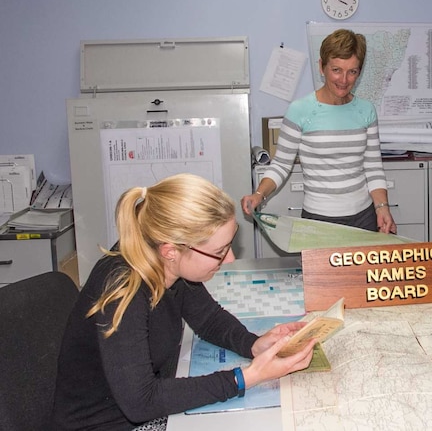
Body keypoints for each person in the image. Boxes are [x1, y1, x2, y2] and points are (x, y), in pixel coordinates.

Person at [52, 174, 316, 430]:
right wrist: (246, 377)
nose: (230, 259)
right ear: (171, 251)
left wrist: (254, 345)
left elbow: (208, 319)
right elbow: (141, 402)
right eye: (219, 252)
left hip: (139, 408)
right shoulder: (124, 290)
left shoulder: (163, 260)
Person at [242, 29, 396, 234]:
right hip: (318, 221)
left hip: (363, 218)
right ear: (321, 67)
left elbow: (373, 167)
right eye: (336, 70)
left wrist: (382, 207)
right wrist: (258, 195)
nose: (344, 79)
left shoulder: (366, 110)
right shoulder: (300, 110)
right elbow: (281, 165)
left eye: (352, 71)